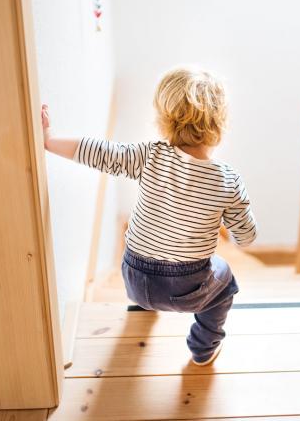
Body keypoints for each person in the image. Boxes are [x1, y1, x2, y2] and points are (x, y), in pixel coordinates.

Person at [41, 67, 257, 365]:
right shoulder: (228, 181)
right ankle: (203, 348)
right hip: (186, 290)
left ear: (164, 119)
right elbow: (245, 239)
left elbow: (100, 152)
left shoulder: (149, 155)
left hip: (133, 277)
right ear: (220, 123)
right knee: (225, 280)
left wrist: (49, 140)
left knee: (148, 255)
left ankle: (143, 307)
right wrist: (231, 220)